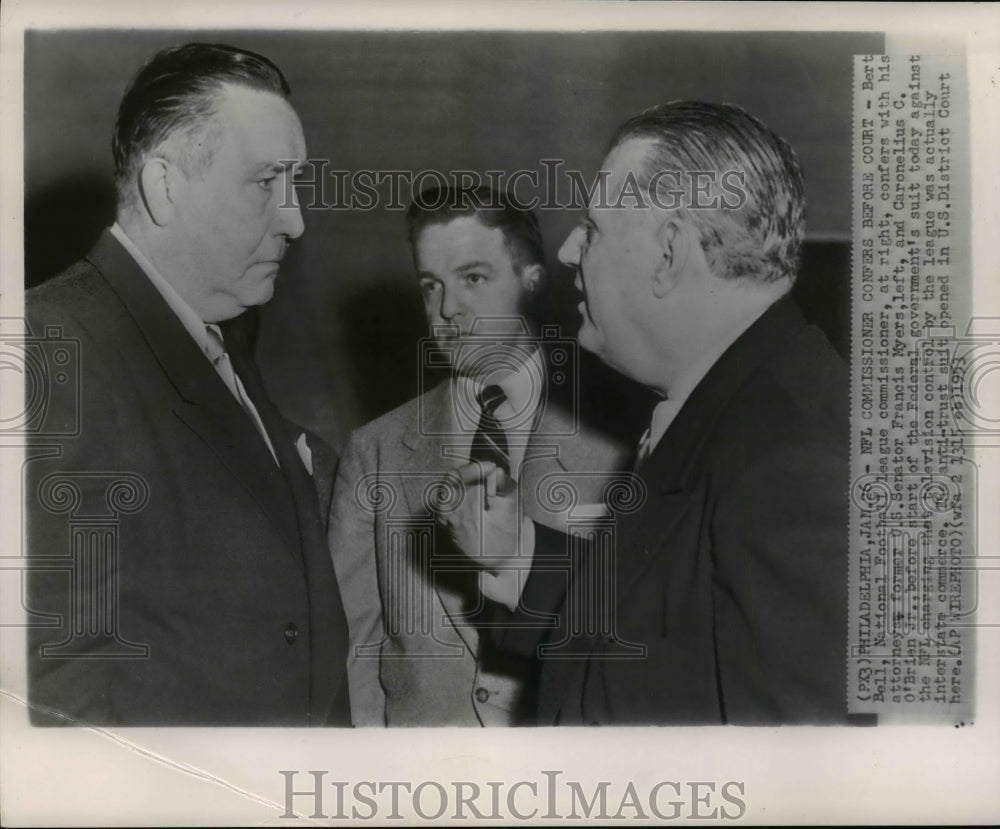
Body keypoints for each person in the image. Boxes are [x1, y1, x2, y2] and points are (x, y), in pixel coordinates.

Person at [438, 101, 851, 725]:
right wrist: (516, 555)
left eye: (595, 228)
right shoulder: (744, 407)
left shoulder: (793, 461)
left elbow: (797, 782)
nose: (570, 251)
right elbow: (670, 624)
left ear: (667, 254)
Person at [24, 43, 350, 726]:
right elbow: (58, 686)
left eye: (296, 184)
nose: (295, 220)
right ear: (166, 185)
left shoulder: (217, 336)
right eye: (266, 182)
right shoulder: (50, 348)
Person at [328, 185, 633, 726]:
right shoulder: (373, 452)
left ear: (530, 280)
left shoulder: (621, 436)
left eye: (472, 278)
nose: (448, 310)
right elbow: (352, 649)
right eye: (430, 287)